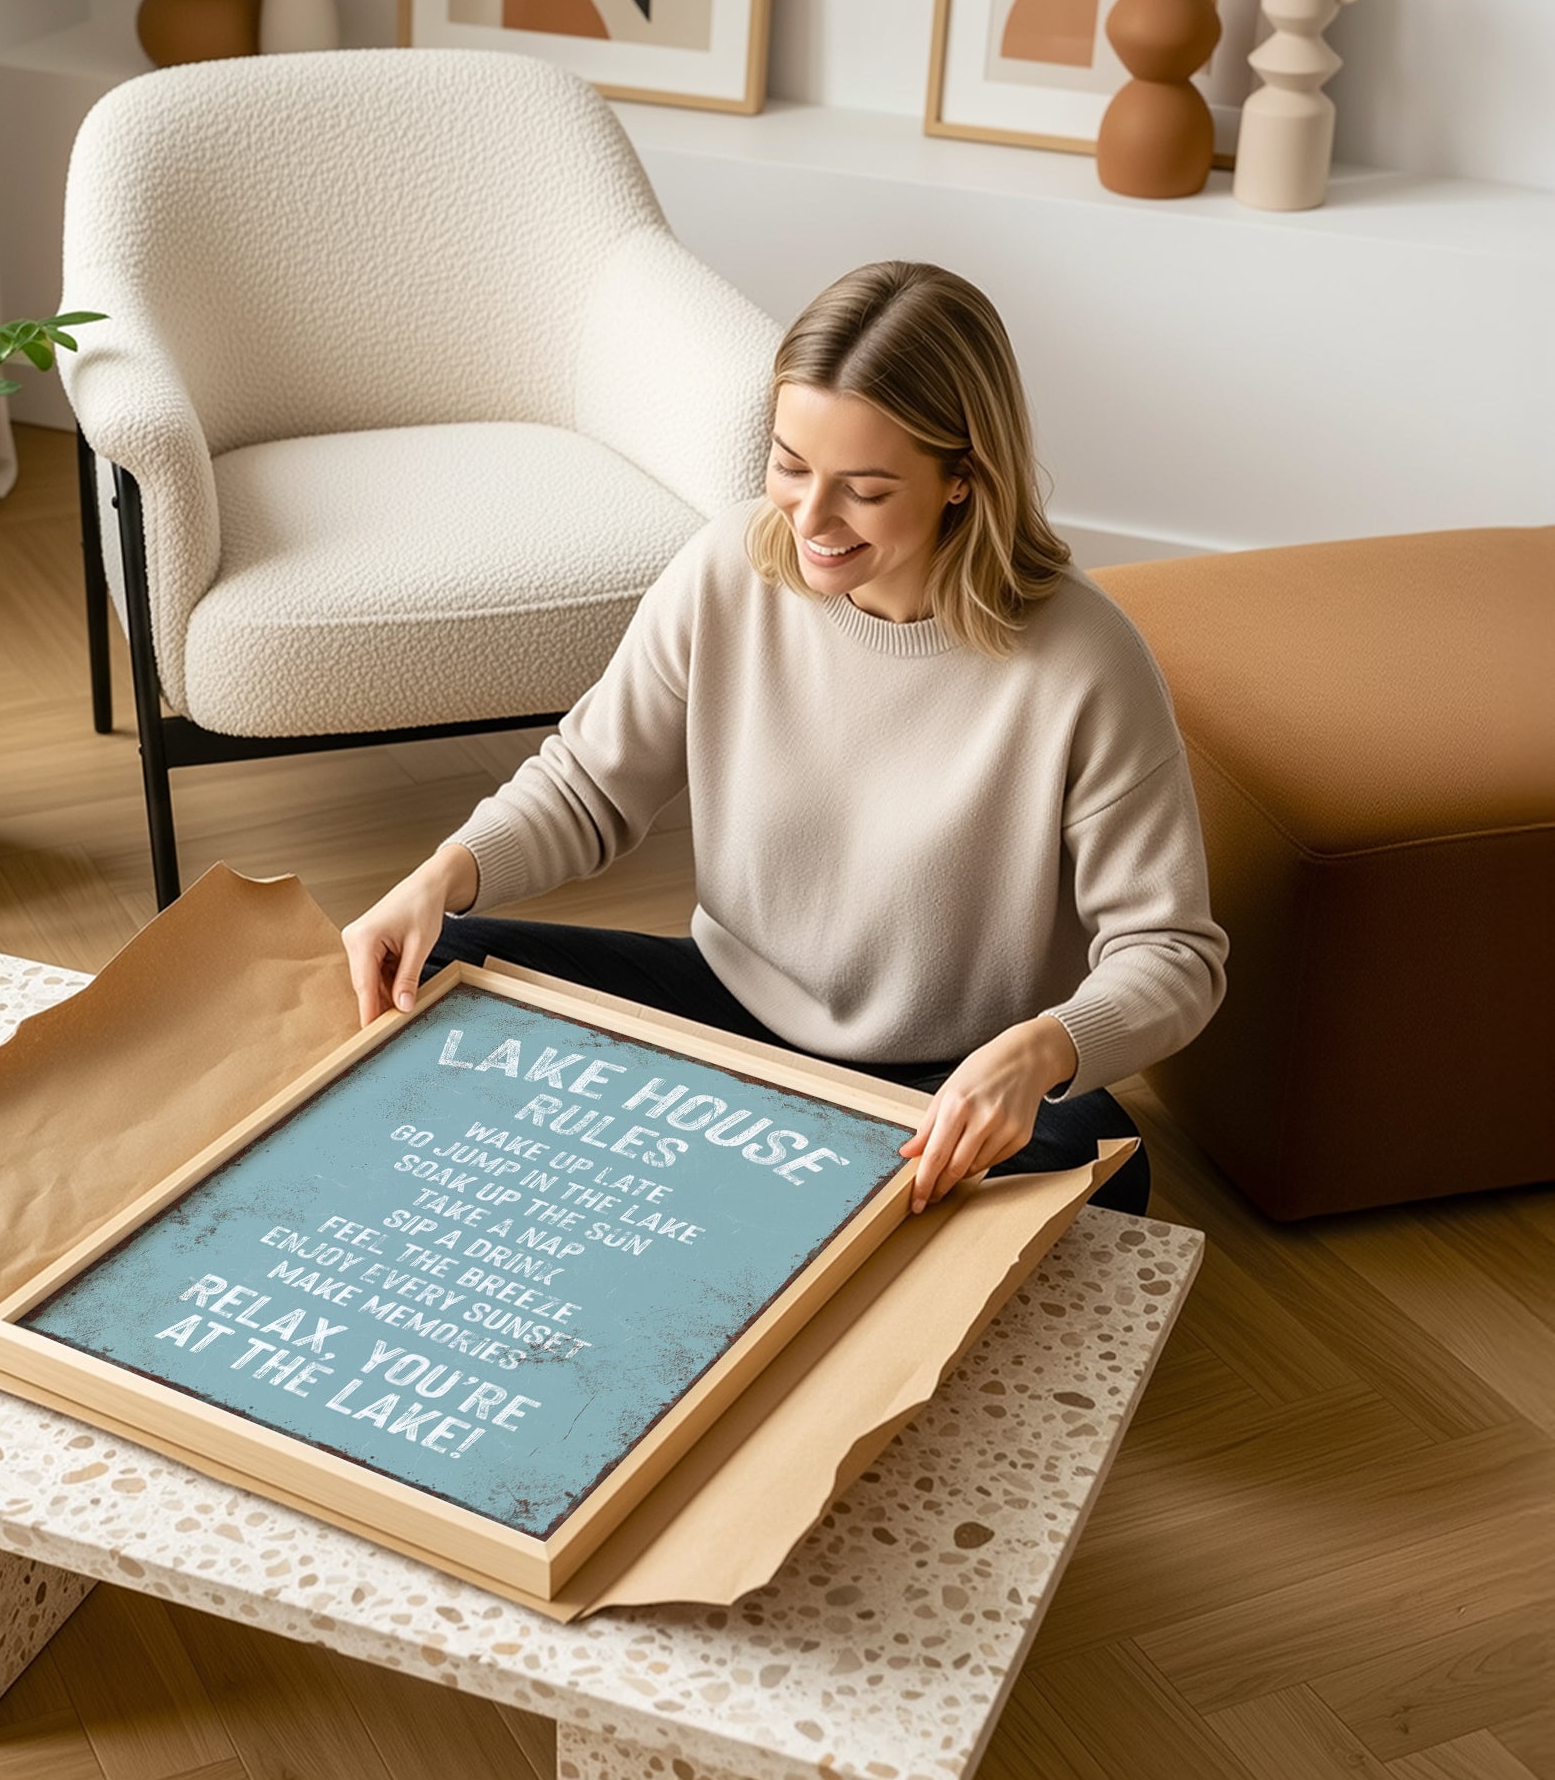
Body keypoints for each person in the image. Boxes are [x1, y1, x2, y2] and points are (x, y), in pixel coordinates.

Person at [341, 261, 1226, 1218]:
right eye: (791, 465)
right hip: (727, 1015)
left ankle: (709, 1189)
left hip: (941, 1083)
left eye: (866, 489)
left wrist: (1042, 1048)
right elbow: (589, 786)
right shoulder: (727, 567)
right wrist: (441, 873)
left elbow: (1172, 951)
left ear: (964, 478)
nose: (809, 519)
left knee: (1096, 1165)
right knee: (428, 968)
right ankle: (786, 1200)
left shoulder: (1086, 661)